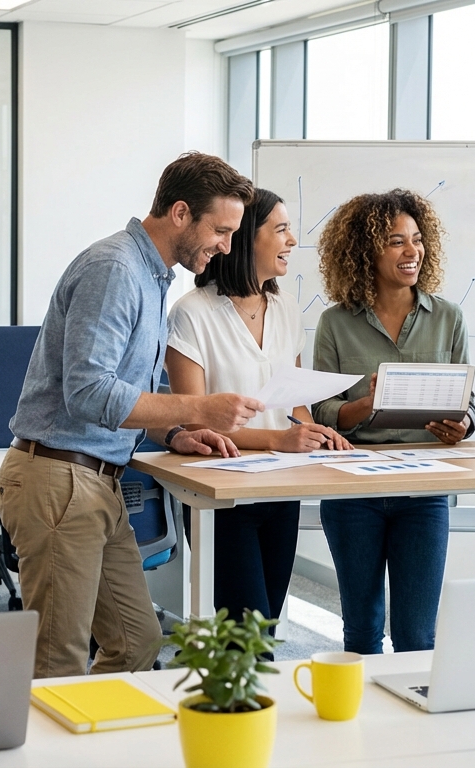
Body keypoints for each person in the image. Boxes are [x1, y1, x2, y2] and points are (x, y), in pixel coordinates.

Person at [0, 152, 266, 678]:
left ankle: (91, 726)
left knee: (137, 642)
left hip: (97, 482)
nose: (226, 246)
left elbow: (126, 389)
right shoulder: (116, 270)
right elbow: (89, 392)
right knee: (57, 663)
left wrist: (175, 430)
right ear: (181, 213)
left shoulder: (151, 276)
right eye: (221, 231)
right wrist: (199, 407)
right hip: (60, 479)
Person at [166, 188, 352, 627]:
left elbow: (295, 406)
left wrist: (315, 433)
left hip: (280, 491)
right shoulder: (192, 313)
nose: (292, 241)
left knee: (263, 630)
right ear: (247, 237)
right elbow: (193, 422)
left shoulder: (286, 307)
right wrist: (280, 439)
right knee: (243, 635)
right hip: (221, 494)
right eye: (281, 229)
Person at [311, 189, 475, 655]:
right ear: (365, 251)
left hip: (424, 491)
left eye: (417, 239)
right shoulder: (335, 323)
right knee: (362, 631)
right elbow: (322, 412)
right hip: (353, 492)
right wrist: (368, 404)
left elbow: (467, 401)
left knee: (417, 636)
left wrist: (463, 425)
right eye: (396, 241)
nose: (412, 251)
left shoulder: (449, 317)